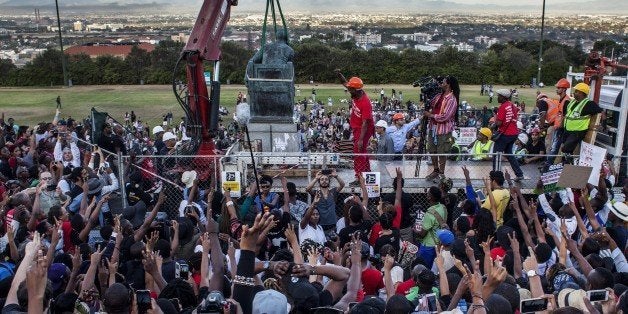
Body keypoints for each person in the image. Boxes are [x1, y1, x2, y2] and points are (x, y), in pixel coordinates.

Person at [335, 70, 374, 185]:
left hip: (364, 129)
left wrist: (361, 139)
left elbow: (365, 123)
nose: (348, 90)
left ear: (356, 90)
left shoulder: (365, 103)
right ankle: (366, 173)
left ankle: (359, 177)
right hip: (357, 128)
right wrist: (339, 74)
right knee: (361, 152)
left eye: (350, 89)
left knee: (358, 152)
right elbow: (344, 82)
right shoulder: (355, 92)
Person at [424, 75, 459, 182]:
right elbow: (431, 103)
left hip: (443, 129)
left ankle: (441, 173)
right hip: (433, 127)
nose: (441, 84)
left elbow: (445, 116)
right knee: (432, 150)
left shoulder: (452, 99)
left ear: (448, 84)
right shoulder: (439, 96)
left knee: (442, 151)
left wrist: (431, 115)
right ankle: (435, 170)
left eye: (443, 82)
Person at [561, 82, 603, 156]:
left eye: (576, 91)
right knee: (565, 151)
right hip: (567, 130)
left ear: (581, 93)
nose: (574, 93)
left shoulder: (589, 104)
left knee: (566, 149)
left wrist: (602, 124)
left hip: (577, 132)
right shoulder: (572, 102)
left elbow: (601, 112)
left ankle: (568, 164)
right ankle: (567, 164)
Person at [491, 88, 524, 182]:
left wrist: (493, 125)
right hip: (514, 133)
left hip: (505, 134)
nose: (497, 97)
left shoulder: (502, 107)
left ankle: (495, 176)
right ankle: (519, 174)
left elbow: (499, 123)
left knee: (496, 155)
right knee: (509, 154)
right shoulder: (512, 106)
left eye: (499, 96)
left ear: (503, 97)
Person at [539, 78, 571, 169]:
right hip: (557, 127)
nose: (557, 89)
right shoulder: (561, 100)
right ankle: (549, 165)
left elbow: (565, 116)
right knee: (554, 148)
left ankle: (548, 166)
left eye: (559, 88)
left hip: (560, 129)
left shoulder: (566, 101)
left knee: (554, 148)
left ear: (564, 89)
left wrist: (559, 127)